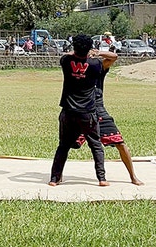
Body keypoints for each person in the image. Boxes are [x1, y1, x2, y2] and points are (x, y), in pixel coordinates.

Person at [75, 47, 144, 185]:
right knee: (66, 144)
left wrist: (97, 53)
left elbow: (114, 57)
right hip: (80, 110)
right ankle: (56, 176)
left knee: (120, 143)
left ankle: (133, 176)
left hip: (99, 110)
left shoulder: (98, 67)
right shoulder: (75, 68)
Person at [49, 34, 109, 187]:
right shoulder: (95, 64)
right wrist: (95, 53)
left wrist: (75, 51)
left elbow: (66, 55)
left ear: (74, 47)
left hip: (68, 111)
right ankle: (101, 178)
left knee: (63, 146)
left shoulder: (66, 61)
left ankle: (54, 179)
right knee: (95, 145)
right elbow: (113, 57)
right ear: (89, 48)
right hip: (87, 112)